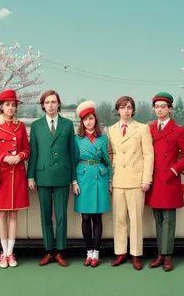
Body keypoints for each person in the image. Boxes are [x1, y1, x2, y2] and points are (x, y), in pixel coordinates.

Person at [145, 92, 184, 272]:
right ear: (153, 109)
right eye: (156, 107)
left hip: (169, 180)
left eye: (163, 107)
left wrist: (174, 169)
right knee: (158, 219)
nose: (159, 110)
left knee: (169, 220)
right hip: (153, 180)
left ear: (170, 109)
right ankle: (160, 254)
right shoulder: (149, 129)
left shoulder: (178, 130)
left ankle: (167, 256)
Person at [27, 90, 76, 267]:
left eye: (54, 102)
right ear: (42, 105)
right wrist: (30, 175)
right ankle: (49, 251)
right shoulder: (37, 125)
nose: (50, 105)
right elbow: (33, 152)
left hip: (63, 175)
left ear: (59, 104)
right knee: (45, 215)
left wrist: (74, 178)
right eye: (47, 102)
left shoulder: (68, 125)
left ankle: (60, 252)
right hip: (42, 176)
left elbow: (72, 153)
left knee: (62, 215)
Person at [0, 89, 30, 269]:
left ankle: (11, 253)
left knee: (14, 214)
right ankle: (3, 252)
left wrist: (19, 156)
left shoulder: (21, 126)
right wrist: (3, 158)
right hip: (1, 175)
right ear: (1, 106)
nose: (11, 108)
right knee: (2, 214)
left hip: (17, 174)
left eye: (13, 105)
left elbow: (27, 149)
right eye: (8, 105)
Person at [108, 96, 154, 270]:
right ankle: (120, 253)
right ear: (117, 110)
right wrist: (111, 178)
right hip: (119, 179)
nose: (126, 110)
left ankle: (135, 254)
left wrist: (146, 179)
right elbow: (110, 154)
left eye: (129, 107)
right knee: (119, 219)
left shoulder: (142, 129)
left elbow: (149, 155)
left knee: (136, 220)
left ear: (133, 110)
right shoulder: (111, 130)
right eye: (122, 107)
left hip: (136, 181)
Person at [73, 101, 112, 267]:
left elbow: (108, 160)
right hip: (83, 178)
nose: (88, 122)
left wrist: (109, 179)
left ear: (95, 120)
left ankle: (96, 253)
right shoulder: (76, 139)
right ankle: (88, 252)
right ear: (81, 122)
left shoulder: (103, 138)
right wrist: (74, 181)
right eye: (85, 120)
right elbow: (73, 160)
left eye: (91, 118)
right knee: (85, 216)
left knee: (97, 217)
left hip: (99, 178)